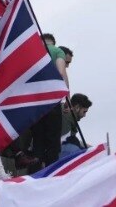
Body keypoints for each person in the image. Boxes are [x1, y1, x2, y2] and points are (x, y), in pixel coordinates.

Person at [29, 32, 70, 168]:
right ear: (53, 41)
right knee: (53, 141)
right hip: (52, 99)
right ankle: (50, 171)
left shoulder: (33, 51)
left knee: (38, 139)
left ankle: (35, 170)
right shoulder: (58, 51)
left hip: (34, 101)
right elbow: (61, 72)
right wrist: (67, 98)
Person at [60, 93, 92, 158]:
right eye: (84, 111)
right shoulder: (66, 118)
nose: (84, 115)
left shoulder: (67, 116)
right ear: (77, 108)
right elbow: (62, 141)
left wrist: (92, 149)